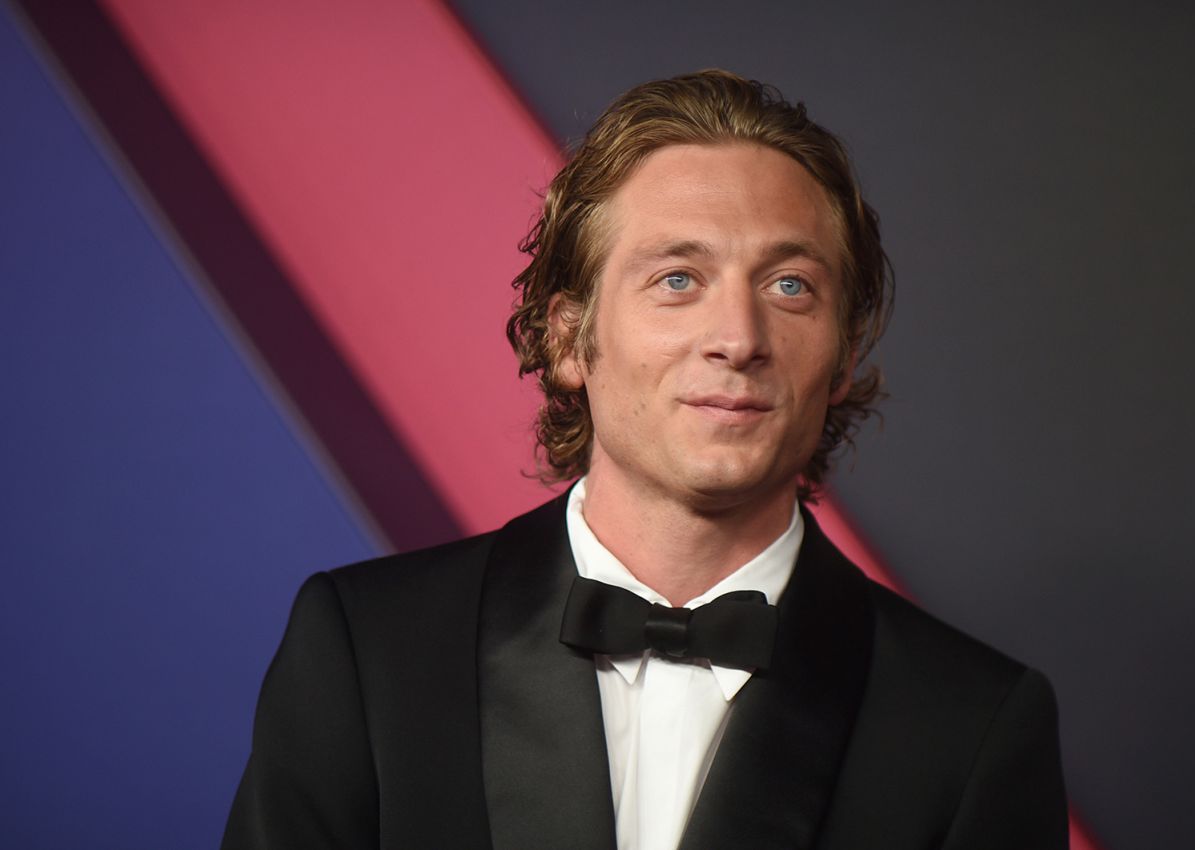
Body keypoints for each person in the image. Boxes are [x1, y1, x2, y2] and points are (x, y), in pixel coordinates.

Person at [222, 70, 1067, 850]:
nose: (738, 338)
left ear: (844, 356)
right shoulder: (367, 652)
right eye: (677, 279)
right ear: (567, 337)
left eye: (789, 287)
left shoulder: (973, 722)